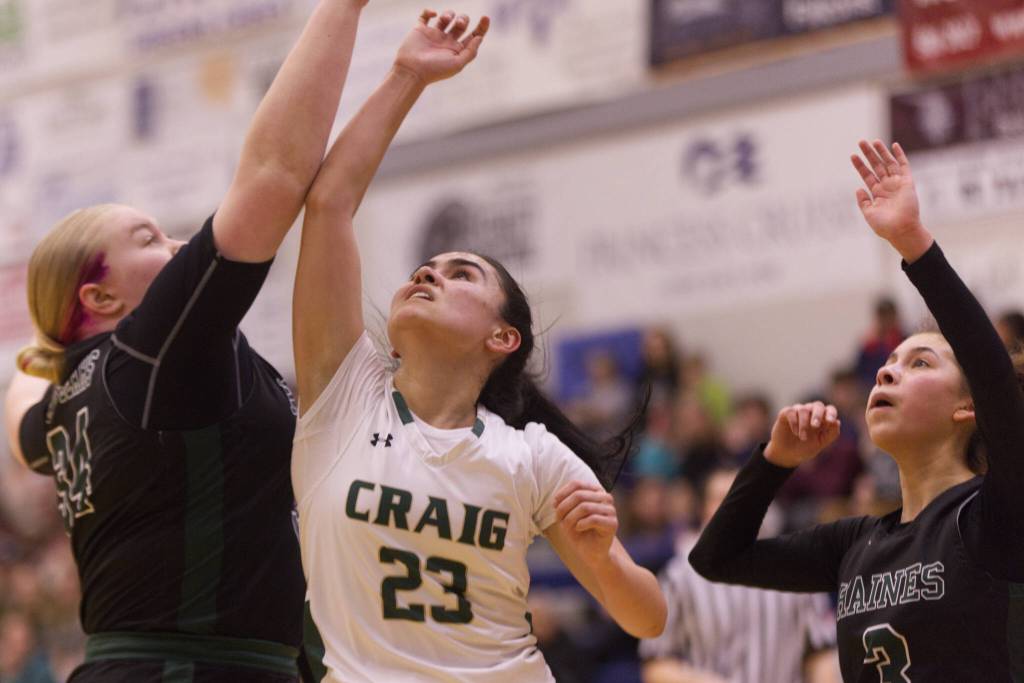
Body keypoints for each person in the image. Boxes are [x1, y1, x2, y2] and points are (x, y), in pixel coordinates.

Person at [289, 9, 666, 681]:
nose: (429, 271)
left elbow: (648, 617)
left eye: (462, 272)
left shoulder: (530, 456)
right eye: (426, 265)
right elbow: (329, 203)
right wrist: (406, 75)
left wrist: (603, 553)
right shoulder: (343, 400)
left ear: (503, 337)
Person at [2, 1, 369, 680]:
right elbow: (274, 173)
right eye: (149, 239)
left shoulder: (65, 403)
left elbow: (22, 424)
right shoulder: (150, 351)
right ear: (101, 298)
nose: (177, 246)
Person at [689, 140, 1024, 681]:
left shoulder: (998, 512)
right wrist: (774, 459)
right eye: (888, 363)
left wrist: (912, 243)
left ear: (969, 406)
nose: (887, 372)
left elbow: (993, 373)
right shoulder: (855, 543)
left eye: (919, 365)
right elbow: (715, 558)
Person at [641, 467, 838, 683]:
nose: (734, 506)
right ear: (705, 509)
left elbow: (821, 654)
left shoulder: (797, 568)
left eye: (744, 496)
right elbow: (656, 665)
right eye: (721, 498)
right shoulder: (679, 576)